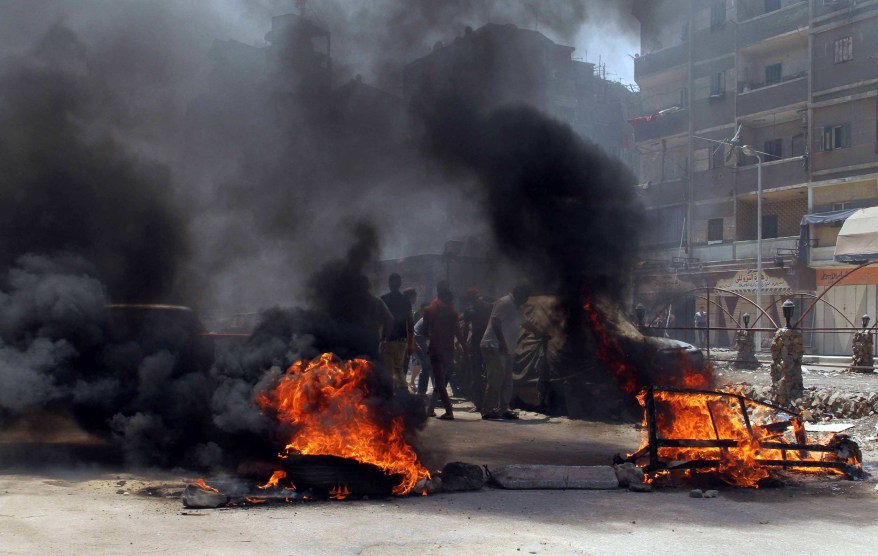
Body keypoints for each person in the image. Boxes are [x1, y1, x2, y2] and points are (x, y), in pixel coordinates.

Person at [480, 283, 531, 420]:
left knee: (508, 380)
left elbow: (526, 324)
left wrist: (542, 333)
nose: (526, 300)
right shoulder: (504, 302)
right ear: (519, 293)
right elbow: (495, 322)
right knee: (496, 378)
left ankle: (503, 409)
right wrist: (502, 341)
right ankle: (487, 410)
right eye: (525, 297)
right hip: (493, 345)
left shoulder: (517, 307)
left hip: (507, 348)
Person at [422, 288, 467, 420]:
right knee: (440, 381)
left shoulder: (429, 310)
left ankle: (448, 410)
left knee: (439, 381)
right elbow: (458, 332)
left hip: (436, 349)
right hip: (448, 350)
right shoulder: (452, 312)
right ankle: (430, 409)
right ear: (448, 299)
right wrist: (465, 347)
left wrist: (433, 338)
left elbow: (425, 332)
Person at [380, 274, 414, 391]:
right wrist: (410, 343)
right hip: (402, 341)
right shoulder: (406, 301)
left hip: (389, 340)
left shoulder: (384, 299)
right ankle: (404, 392)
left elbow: (381, 321)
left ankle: (390, 397)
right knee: (399, 369)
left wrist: (382, 339)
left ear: (389, 284)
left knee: (388, 371)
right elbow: (410, 323)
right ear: (400, 284)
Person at [462, 286, 491, 411]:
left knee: (478, 374)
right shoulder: (487, 307)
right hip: (486, 343)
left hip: (480, 343)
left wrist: (464, 345)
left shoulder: (470, 310)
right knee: (484, 374)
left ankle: (481, 404)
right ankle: (484, 404)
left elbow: (464, 329)